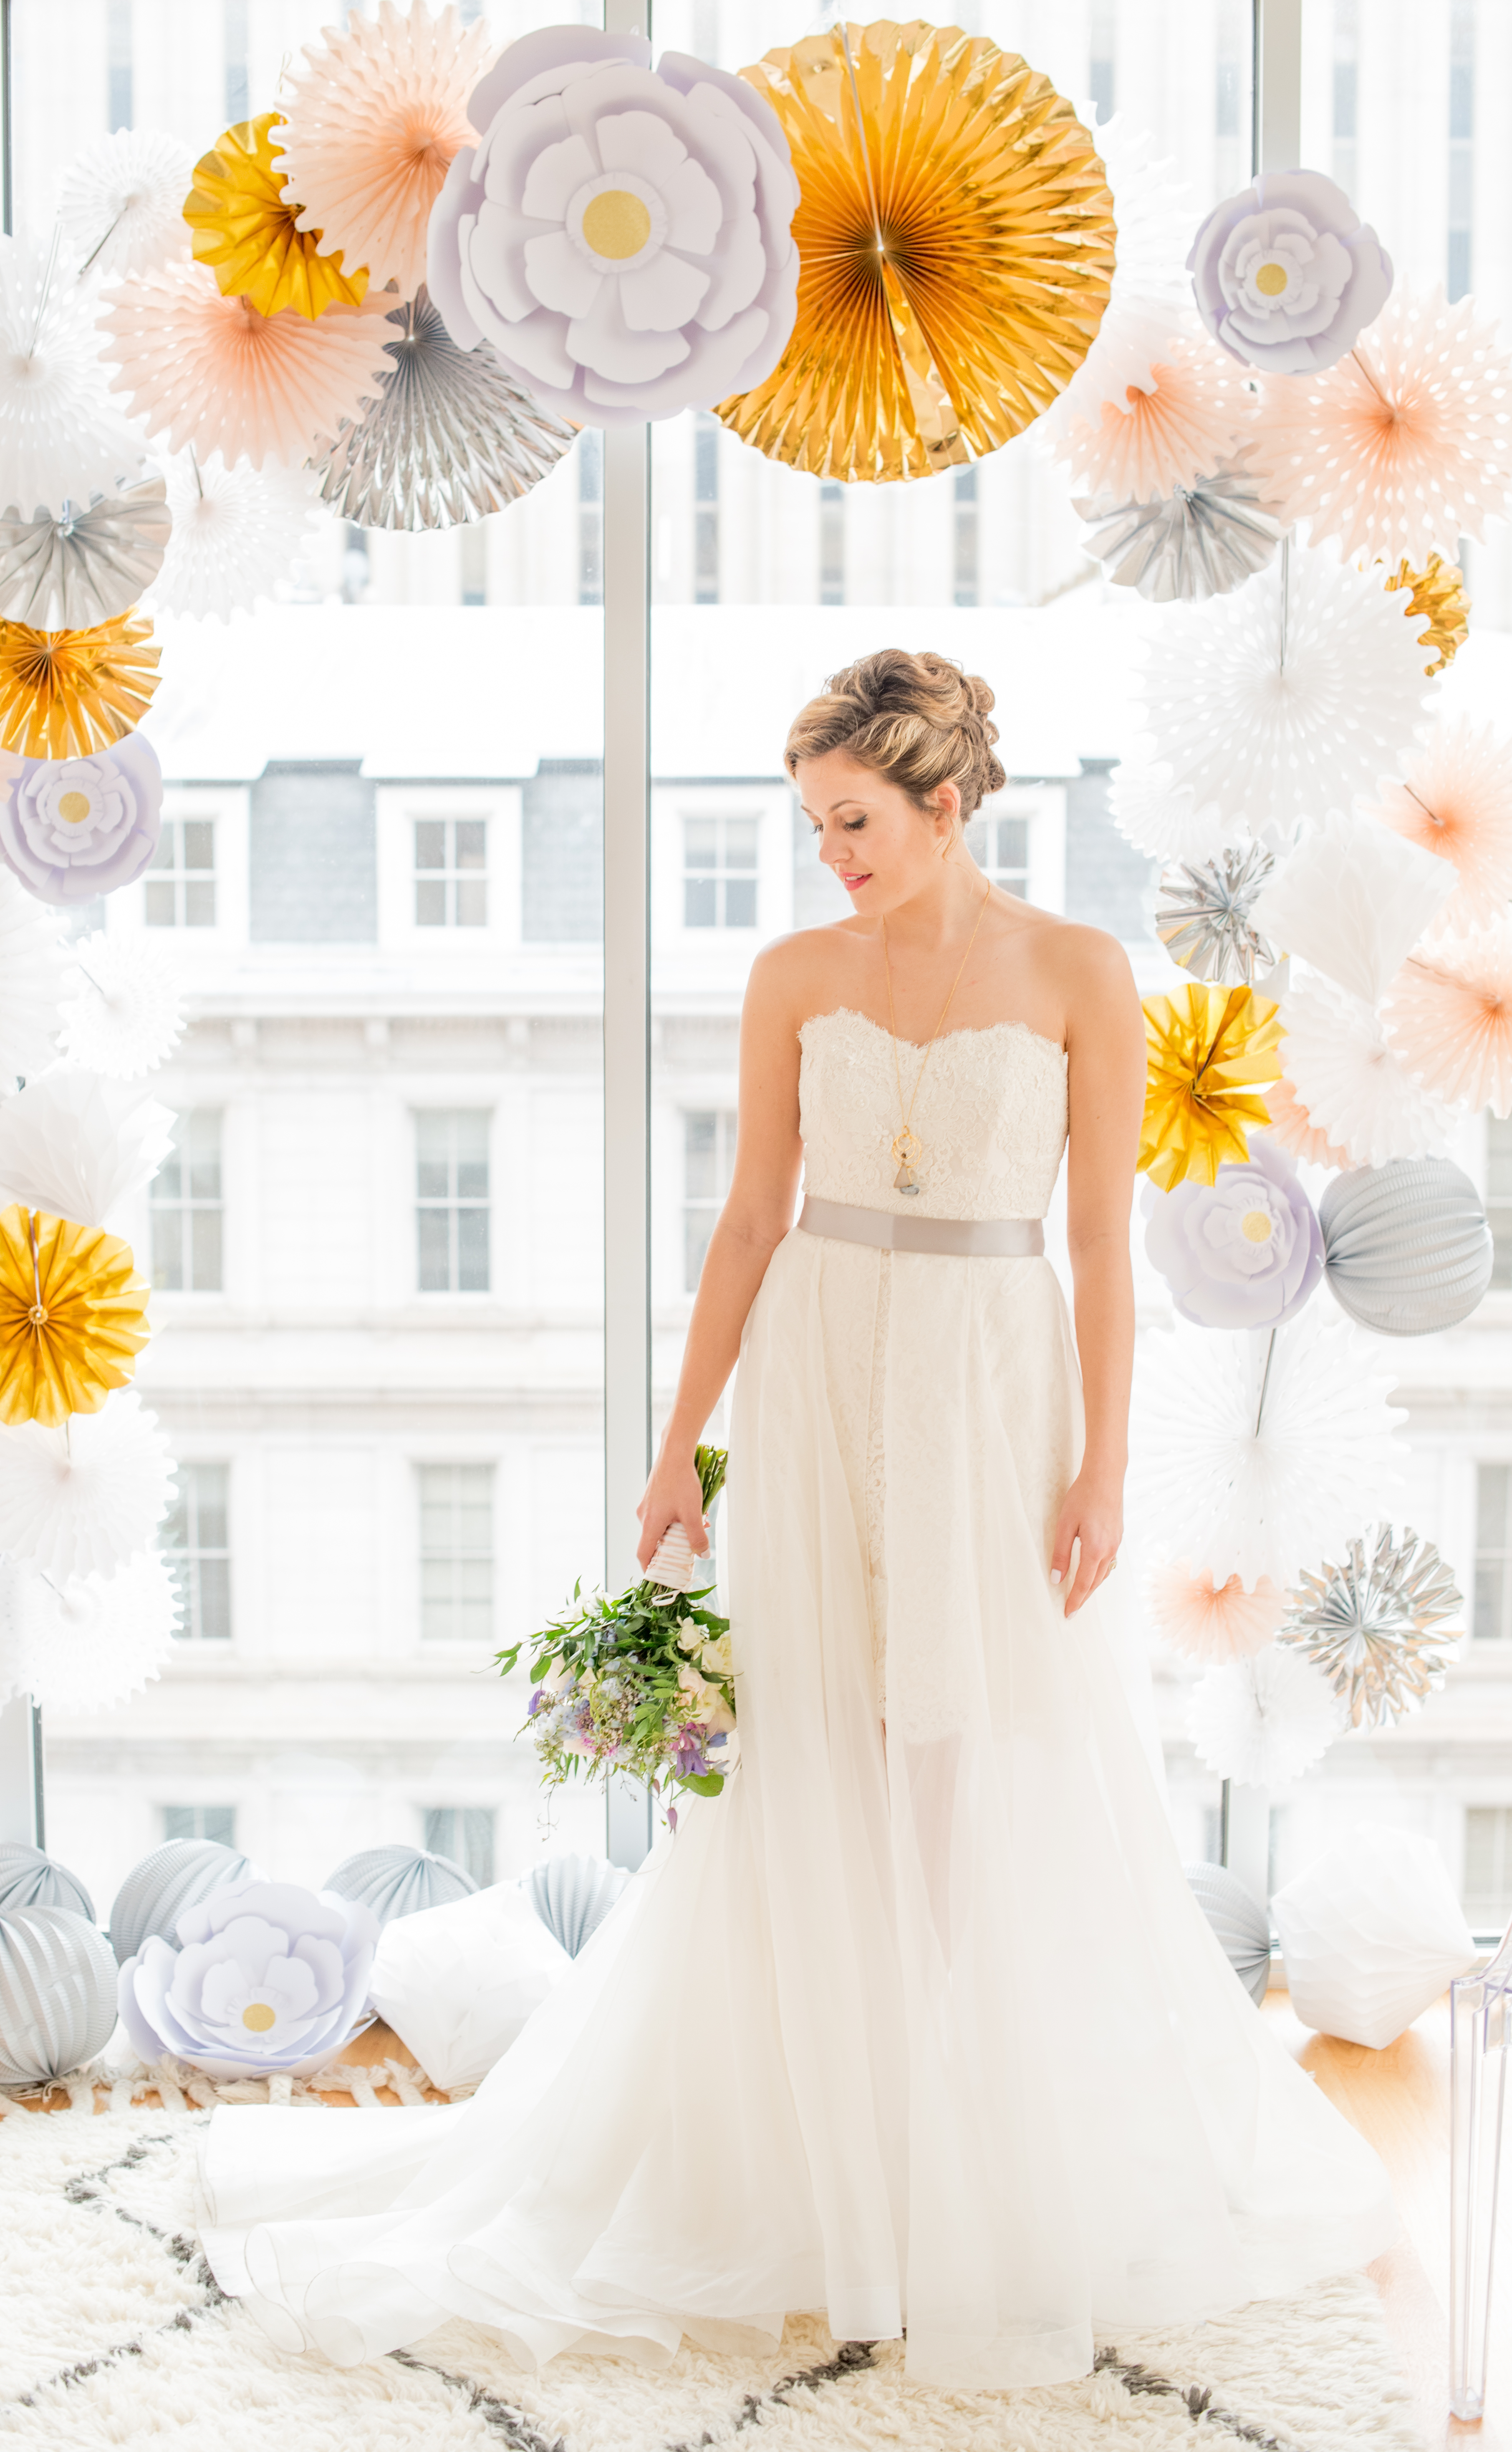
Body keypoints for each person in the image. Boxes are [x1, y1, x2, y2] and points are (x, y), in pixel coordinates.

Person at [198, 651, 1393, 2386]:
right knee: (815, 1748)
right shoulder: (791, 976)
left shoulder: (1078, 969)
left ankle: (970, 2146)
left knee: (977, 1750)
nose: (828, 850)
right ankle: (825, 2155)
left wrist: (1108, 1466)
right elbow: (751, 1219)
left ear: (944, 801)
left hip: (995, 1379)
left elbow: (1102, 1245)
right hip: (820, 1369)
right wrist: (680, 1443)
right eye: (811, 821)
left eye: (852, 819)